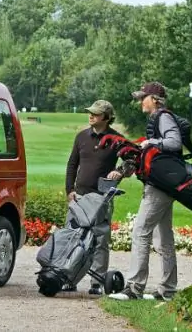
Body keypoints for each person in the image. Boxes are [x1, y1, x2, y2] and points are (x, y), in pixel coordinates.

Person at [109, 81, 180, 301]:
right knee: (163, 238)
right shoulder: (157, 118)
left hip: (159, 187)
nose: (141, 101)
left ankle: (134, 288)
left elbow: (175, 142)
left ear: (155, 100)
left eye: (143, 97)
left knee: (140, 231)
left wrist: (151, 142)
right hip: (165, 184)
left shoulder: (163, 117)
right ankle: (167, 290)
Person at [64, 99, 131, 295]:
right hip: (80, 196)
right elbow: (71, 165)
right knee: (74, 238)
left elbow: (132, 161)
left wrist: (120, 171)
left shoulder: (116, 139)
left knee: (100, 240)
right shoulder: (81, 137)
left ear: (107, 117)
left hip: (103, 198)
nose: (91, 115)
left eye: (96, 113)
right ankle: (70, 278)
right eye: (90, 112)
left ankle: (97, 282)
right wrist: (70, 190)